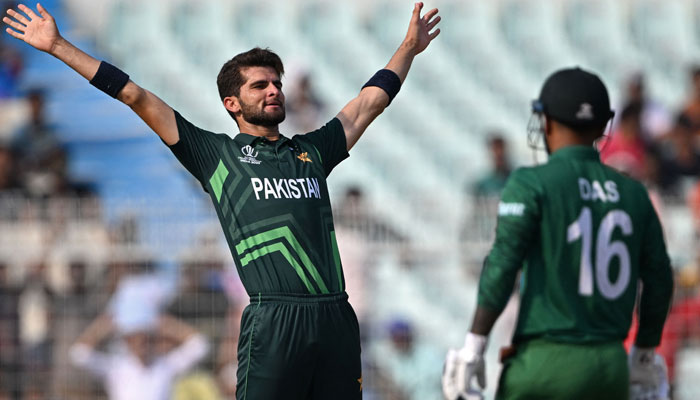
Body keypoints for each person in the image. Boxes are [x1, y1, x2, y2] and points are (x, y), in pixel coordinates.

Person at [3, 2, 441, 399]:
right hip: (274, 321)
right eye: (259, 86)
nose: (273, 91)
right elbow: (134, 95)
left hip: (335, 317)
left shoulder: (310, 152)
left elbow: (369, 103)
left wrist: (407, 47)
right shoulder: (216, 155)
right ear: (232, 102)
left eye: (276, 83)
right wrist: (59, 46)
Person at [442, 67, 674, 400]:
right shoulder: (634, 193)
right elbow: (660, 280)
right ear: (603, 125)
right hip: (610, 366)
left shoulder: (530, 183)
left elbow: (502, 265)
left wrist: (474, 345)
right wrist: (643, 355)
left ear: (546, 121)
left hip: (543, 363)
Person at [69, 313, 210, 400]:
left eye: (146, 338)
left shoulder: (165, 366)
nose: (142, 344)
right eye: (136, 339)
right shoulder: (116, 367)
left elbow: (200, 345)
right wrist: (101, 327)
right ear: (128, 341)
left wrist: (169, 325)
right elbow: (78, 355)